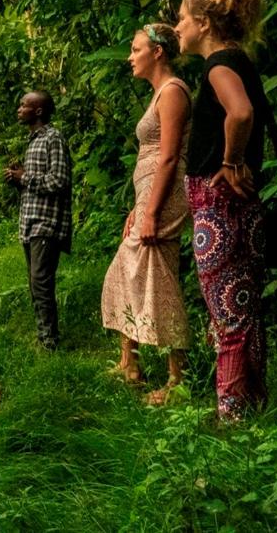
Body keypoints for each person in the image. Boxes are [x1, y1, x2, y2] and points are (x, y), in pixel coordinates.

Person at [174, 0, 269, 421]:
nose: (178, 27)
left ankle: (231, 415)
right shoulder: (239, 60)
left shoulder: (218, 65)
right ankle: (253, 403)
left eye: (182, 19)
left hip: (219, 199)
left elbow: (241, 112)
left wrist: (230, 161)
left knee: (226, 310)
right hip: (239, 200)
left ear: (204, 24)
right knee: (244, 306)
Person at [101, 24, 192, 404]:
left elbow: (170, 156)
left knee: (157, 276)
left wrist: (152, 212)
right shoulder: (159, 93)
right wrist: (137, 209)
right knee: (127, 270)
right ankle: (130, 362)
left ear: (157, 52)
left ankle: (178, 379)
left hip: (165, 196)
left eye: (136, 49)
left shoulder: (173, 91)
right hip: (148, 197)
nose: (130, 56)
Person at [4, 90, 73, 351]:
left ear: (39, 111)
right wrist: (17, 180)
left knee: (41, 282)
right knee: (35, 283)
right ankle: (43, 335)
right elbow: (35, 186)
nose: (19, 109)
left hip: (47, 223)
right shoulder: (32, 141)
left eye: (24, 105)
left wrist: (25, 178)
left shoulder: (52, 139)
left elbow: (59, 180)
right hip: (30, 223)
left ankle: (49, 341)